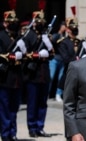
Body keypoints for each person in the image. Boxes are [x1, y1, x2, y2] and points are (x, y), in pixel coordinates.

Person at [21, 10, 53, 138]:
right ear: (33, 23)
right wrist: (35, 55)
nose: (40, 24)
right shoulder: (28, 35)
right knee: (32, 102)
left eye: (42, 22)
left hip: (44, 73)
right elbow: (23, 53)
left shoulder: (46, 36)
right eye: (38, 21)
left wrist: (47, 53)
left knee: (42, 103)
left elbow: (52, 53)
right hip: (33, 73)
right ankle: (32, 127)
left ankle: (40, 127)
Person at [0, 10, 25, 141]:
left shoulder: (19, 38)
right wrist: (7, 56)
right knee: (4, 108)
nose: (14, 24)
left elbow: (25, 54)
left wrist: (22, 54)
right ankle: (5, 134)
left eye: (15, 22)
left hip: (16, 77)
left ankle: (13, 133)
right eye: (11, 22)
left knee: (14, 108)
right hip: (4, 77)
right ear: (5, 23)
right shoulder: (1, 36)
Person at [56, 17, 83, 91]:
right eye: (72, 28)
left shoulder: (80, 42)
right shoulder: (63, 42)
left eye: (76, 28)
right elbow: (66, 59)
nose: (75, 30)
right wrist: (77, 59)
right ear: (67, 29)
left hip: (80, 75)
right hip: (69, 73)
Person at [48, 21, 66, 102]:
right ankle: (47, 94)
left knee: (60, 79)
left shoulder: (66, 37)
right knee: (51, 77)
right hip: (54, 59)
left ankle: (58, 94)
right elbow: (51, 42)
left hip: (62, 59)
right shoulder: (56, 35)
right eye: (64, 26)